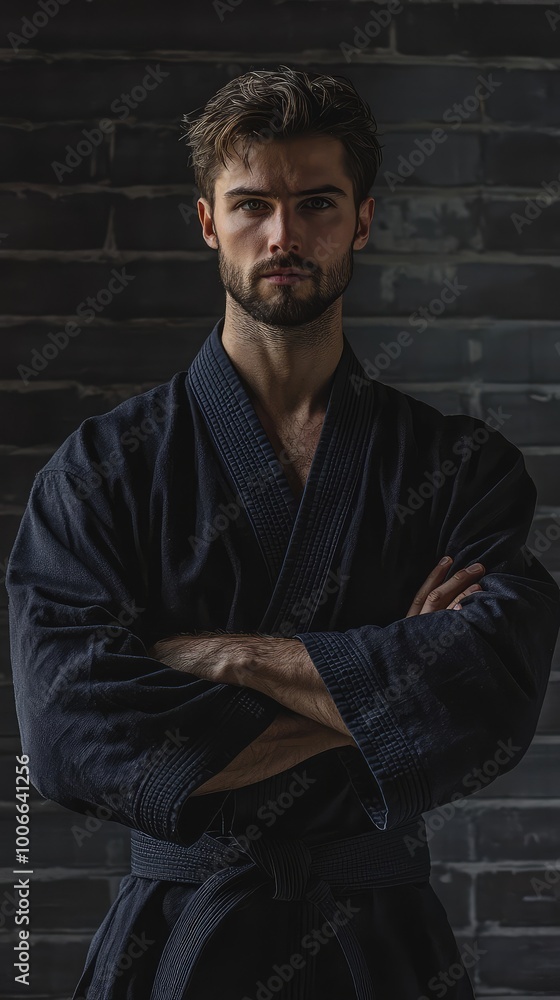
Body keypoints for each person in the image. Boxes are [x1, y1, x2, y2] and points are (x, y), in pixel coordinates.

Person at [6, 65, 560, 1000]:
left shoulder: (460, 467)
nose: (285, 235)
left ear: (364, 220)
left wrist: (219, 658)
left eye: (316, 204)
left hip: (381, 948)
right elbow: (67, 733)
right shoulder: (104, 469)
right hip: (173, 942)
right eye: (253, 204)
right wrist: (389, 693)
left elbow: (487, 704)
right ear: (208, 221)